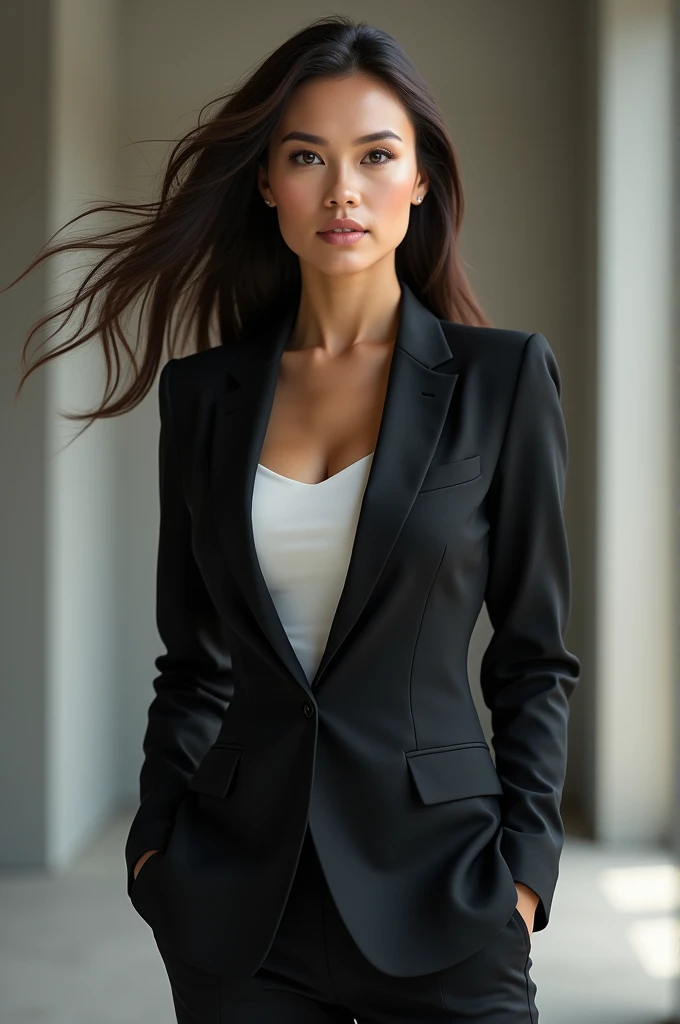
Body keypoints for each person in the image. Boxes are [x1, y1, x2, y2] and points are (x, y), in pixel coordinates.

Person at [8, 14, 581, 1022]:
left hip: (443, 891)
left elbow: (532, 655)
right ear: (268, 182)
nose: (342, 190)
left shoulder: (501, 381)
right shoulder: (202, 396)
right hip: (238, 902)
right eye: (307, 156)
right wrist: (156, 853)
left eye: (375, 155)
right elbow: (192, 661)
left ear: (420, 181)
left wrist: (523, 874)